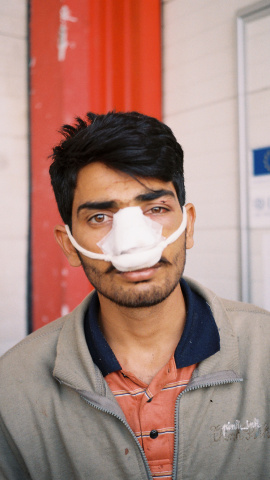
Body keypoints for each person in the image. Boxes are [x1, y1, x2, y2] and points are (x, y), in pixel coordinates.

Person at [0, 111, 269, 480]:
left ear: (188, 225)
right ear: (69, 245)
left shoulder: (265, 349)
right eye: (100, 217)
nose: (133, 244)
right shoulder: (13, 386)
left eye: (155, 209)